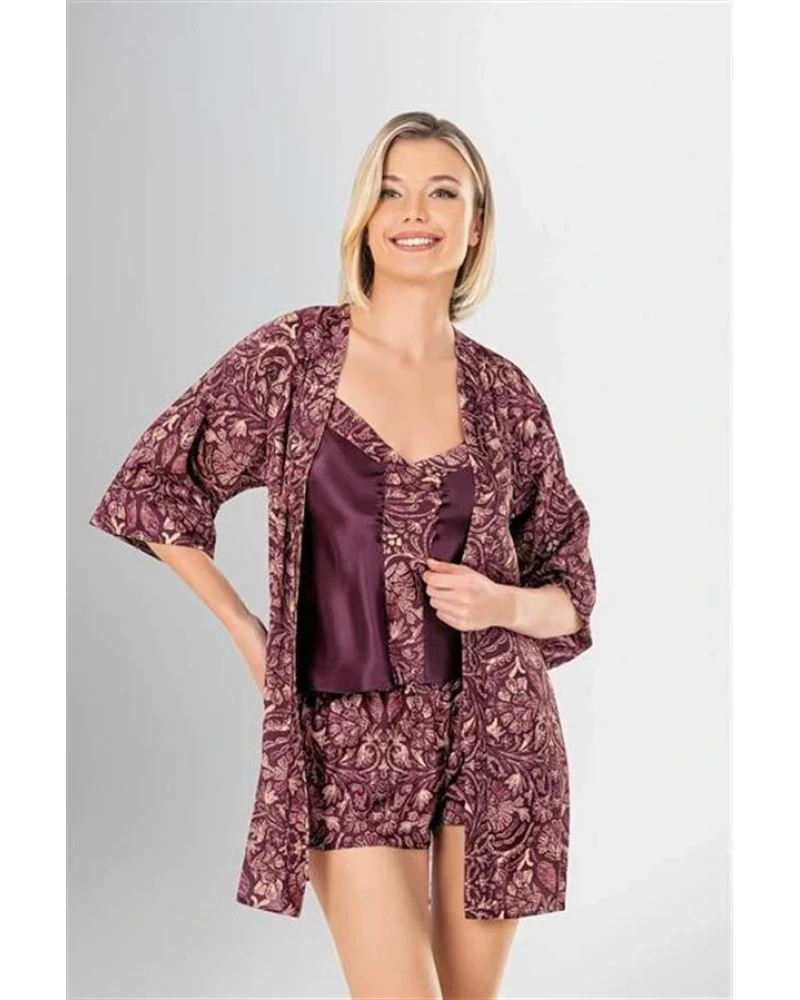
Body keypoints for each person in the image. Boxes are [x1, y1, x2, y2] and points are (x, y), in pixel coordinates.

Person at [89, 111, 597, 999]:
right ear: (366, 217)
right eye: (392, 191)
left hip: (496, 736)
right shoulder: (296, 358)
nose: (415, 212)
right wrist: (248, 631)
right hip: (345, 737)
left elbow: (571, 594)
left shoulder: (506, 396)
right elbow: (155, 485)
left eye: (443, 192)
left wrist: (502, 603)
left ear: (476, 224)